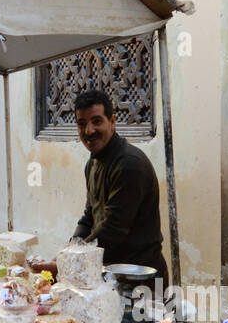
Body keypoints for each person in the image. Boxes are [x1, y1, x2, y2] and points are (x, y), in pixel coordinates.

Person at [69, 89, 167, 283]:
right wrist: (69, 250)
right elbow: (89, 217)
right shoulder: (93, 163)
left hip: (141, 278)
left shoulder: (129, 164)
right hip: (111, 276)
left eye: (97, 121)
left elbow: (113, 231)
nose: (89, 131)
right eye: (82, 124)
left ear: (112, 122)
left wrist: (73, 261)